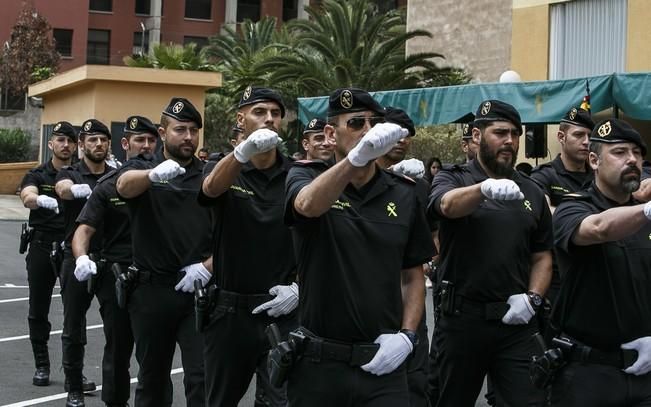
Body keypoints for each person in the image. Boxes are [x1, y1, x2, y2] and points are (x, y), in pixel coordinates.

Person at [285, 88, 435, 406]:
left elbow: (413, 275)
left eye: (374, 123)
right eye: (355, 123)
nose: (367, 131)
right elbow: (307, 205)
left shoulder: (404, 193)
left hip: (384, 361)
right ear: (330, 132)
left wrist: (408, 337)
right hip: (319, 363)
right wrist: (355, 160)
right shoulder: (306, 176)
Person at [428, 99, 552, 406]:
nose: (509, 140)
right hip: (462, 321)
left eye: (514, 133)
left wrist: (533, 298)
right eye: (500, 132)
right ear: (476, 136)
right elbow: (445, 205)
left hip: (516, 321)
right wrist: (482, 189)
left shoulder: (533, 191)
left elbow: (542, 255)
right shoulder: (453, 177)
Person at [199, 86, 297, 407]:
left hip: (282, 310)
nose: (269, 119)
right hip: (231, 313)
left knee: (280, 402)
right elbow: (210, 190)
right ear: (241, 119)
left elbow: (318, 241)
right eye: (259, 112)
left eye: (275, 113)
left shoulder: (297, 173)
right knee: (220, 400)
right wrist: (241, 154)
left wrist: (300, 288)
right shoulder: (223, 166)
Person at [115, 98, 211, 407]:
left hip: (197, 291)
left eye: (194, 131)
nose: (188, 137)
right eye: (180, 129)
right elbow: (123, 186)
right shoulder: (142, 166)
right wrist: (152, 175)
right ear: (162, 132)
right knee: (152, 379)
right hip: (151, 292)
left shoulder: (209, 175)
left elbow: (232, 234)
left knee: (201, 377)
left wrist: (209, 267)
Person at [550, 119, 651, 406]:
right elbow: (598, 229)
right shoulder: (574, 206)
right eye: (619, 152)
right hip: (589, 372)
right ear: (594, 160)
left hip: (645, 370)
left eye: (637, 152)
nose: (632, 159)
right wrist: (644, 211)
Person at [71, 116, 162, 407]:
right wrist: (81, 256)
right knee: (118, 350)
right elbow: (83, 229)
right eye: (139, 140)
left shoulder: (167, 181)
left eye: (151, 140)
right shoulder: (108, 186)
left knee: (154, 356)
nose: (146, 146)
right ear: (125, 144)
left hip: (156, 276)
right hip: (118, 278)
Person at [374, 106, 431, 407]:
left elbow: (429, 238)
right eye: (394, 133)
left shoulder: (417, 187)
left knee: (414, 386)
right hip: (367, 303)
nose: (400, 140)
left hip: (408, 301)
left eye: (406, 136)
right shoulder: (351, 180)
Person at [55, 119, 114, 407]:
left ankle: (115, 392)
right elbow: (63, 189)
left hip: (111, 259)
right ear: (82, 145)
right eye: (92, 140)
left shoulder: (116, 175)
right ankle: (75, 387)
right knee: (73, 325)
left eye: (103, 139)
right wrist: (78, 191)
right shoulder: (71, 173)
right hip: (76, 258)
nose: (98, 144)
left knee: (117, 327)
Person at [19, 121, 76, 388]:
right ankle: (42, 365)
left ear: (76, 146)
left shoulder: (79, 173)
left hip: (71, 249)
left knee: (74, 312)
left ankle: (73, 370)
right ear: (51, 144)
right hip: (42, 246)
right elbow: (27, 195)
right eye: (60, 140)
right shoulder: (38, 174)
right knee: (37, 310)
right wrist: (38, 199)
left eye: (70, 141)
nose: (65, 145)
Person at [530, 107, 595, 213]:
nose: (586, 142)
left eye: (590, 136)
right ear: (561, 137)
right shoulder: (545, 175)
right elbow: (543, 213)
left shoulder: (597, 176)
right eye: (579, 135)